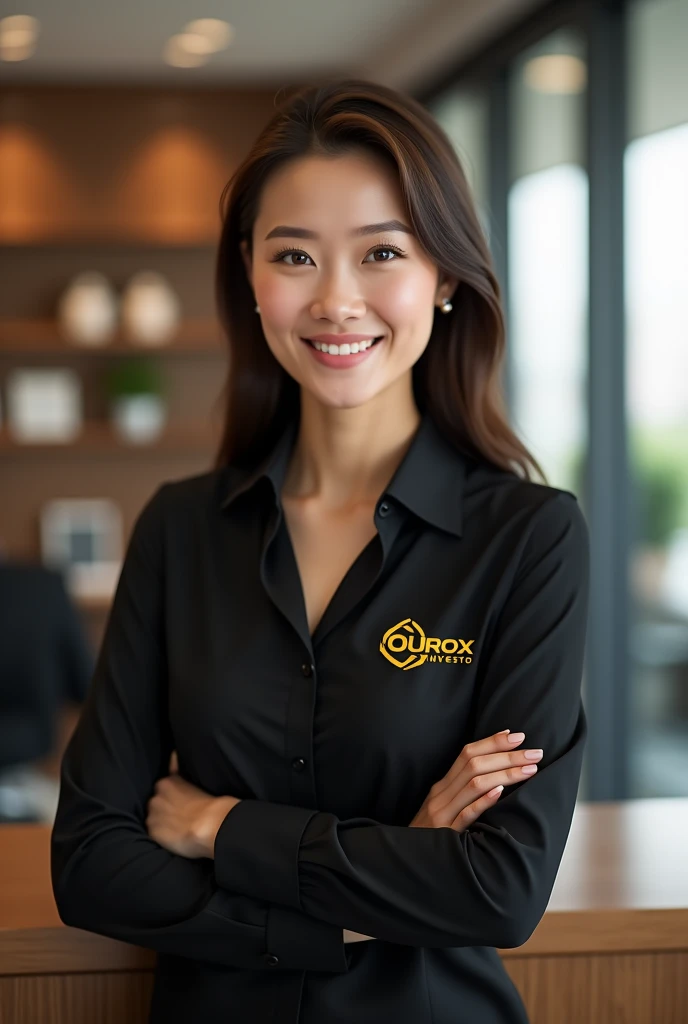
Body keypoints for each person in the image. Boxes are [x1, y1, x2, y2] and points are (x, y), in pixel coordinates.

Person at [50, 79, 590, 1024]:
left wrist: (219, 827)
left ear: (448, 278)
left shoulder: (530, 539)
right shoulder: (180, 529)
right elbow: (93, 864)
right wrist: (370, 893)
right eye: (294, 254)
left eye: (382, 252)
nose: (337, 300)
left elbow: (498, 889)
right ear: (250, 282)